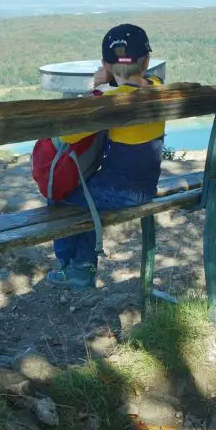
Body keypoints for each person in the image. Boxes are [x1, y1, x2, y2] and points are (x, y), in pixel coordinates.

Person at [46, 24, 165, 289]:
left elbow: (68, 136)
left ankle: (76, 267)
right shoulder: (158, 89)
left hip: (117, 191)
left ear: (105, 64)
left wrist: (97, 89)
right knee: (87, 197)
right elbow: (134, 86)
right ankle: (79, 265)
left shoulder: (109, 103)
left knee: (64, 202)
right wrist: (112, 80)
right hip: (147, 187)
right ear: (147, 61)